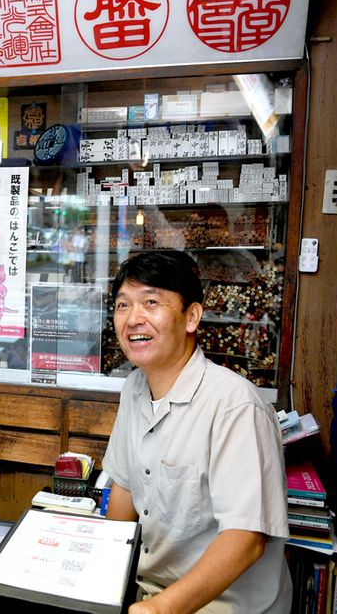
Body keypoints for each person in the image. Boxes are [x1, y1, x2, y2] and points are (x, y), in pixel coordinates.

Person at [102, 251, 291, 613]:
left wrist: (161, 609)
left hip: (223, 605)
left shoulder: (236, 406)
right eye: (123, 305)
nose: (133, 319)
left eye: (151, 302)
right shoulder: (134, 388)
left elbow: (246, 538)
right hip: (149, 593)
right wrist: (104, 580)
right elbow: (123, 488)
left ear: (192, 317)